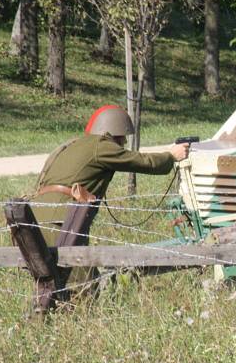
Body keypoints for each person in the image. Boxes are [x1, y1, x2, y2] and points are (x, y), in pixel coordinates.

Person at [27, 105, 189, 297]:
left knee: (51, 284)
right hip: (62, 221)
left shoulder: (69, 145)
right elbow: (140, 161)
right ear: (113, 134)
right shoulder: (101, 146)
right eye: (122, 139)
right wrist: (170, 156)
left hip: (33, 218)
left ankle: (50, 320)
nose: (122, 144)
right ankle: (76, 322)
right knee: (83, 287)